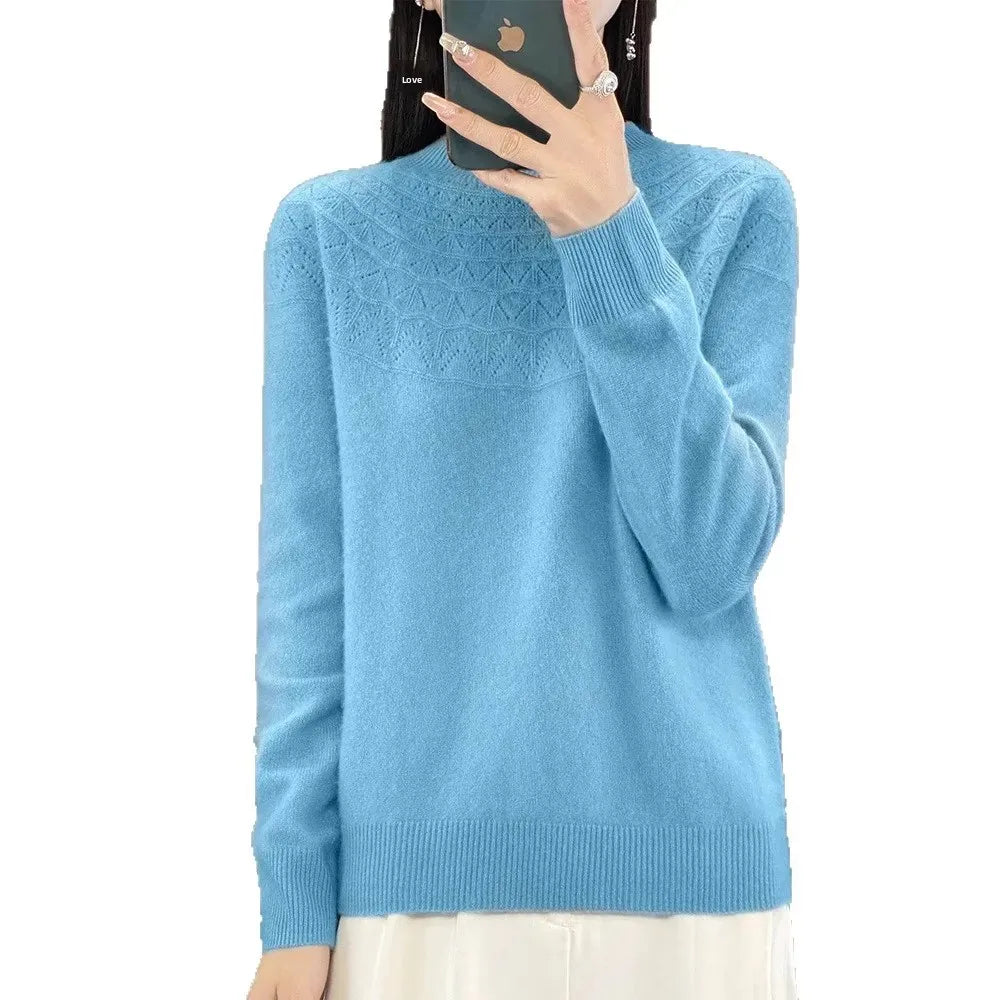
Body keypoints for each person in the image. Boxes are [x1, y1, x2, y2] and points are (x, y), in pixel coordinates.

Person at [248, 0, 801, 997]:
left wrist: (609, 230)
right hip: (413, 907)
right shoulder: (329, 232)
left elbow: (711, 556)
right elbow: (308, 598)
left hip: (691, 898)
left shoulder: (737, 204)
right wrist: (294, 906)